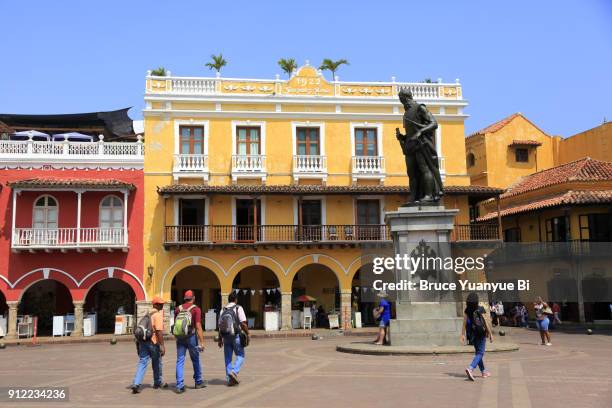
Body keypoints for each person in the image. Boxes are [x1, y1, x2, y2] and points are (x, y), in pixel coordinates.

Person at [130, 296, 167, 393]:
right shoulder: (157, 315)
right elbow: (159, 332)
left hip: (143, 342)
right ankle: (158, 382)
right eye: (159, 304)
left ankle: (136, 383)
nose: (162, 305)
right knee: (157, 362)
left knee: (142, 362)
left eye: (162, 304)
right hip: (153, 342)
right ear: (155, 304)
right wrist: (162, 345)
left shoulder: (146, 314)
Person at [174, 290, 206, 393]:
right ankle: (198, 381)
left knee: (180, 360)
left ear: (184, 298)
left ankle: (179, 385)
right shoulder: (196, 309)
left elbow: (175, 324)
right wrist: (202, 342)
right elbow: (198, 326)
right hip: (191, 337)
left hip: (180, 337)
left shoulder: (178, 309)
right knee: (195, 359)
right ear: (193, 298)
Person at [218, 292, 250, 386]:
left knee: (227, 358)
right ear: (236, 300)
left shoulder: (223, 310)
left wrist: (220, 339)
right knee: (240, 355)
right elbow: (243, 323)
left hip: (226, 336)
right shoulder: (238, 308)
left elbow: (220, 326)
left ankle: (229, 379)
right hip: (236, 335)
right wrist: (248, 333)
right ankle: (234, 372)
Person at [461, 292, 494, 381]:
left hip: (472, 334)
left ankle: (483, 372)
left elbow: (464, 323)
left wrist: (463, 334)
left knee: (478, 353)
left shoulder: (467, 310)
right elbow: (486, 322)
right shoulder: (480, 309)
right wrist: (490, 334)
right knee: (480, 353)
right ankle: (471, 368)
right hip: (481, 333)